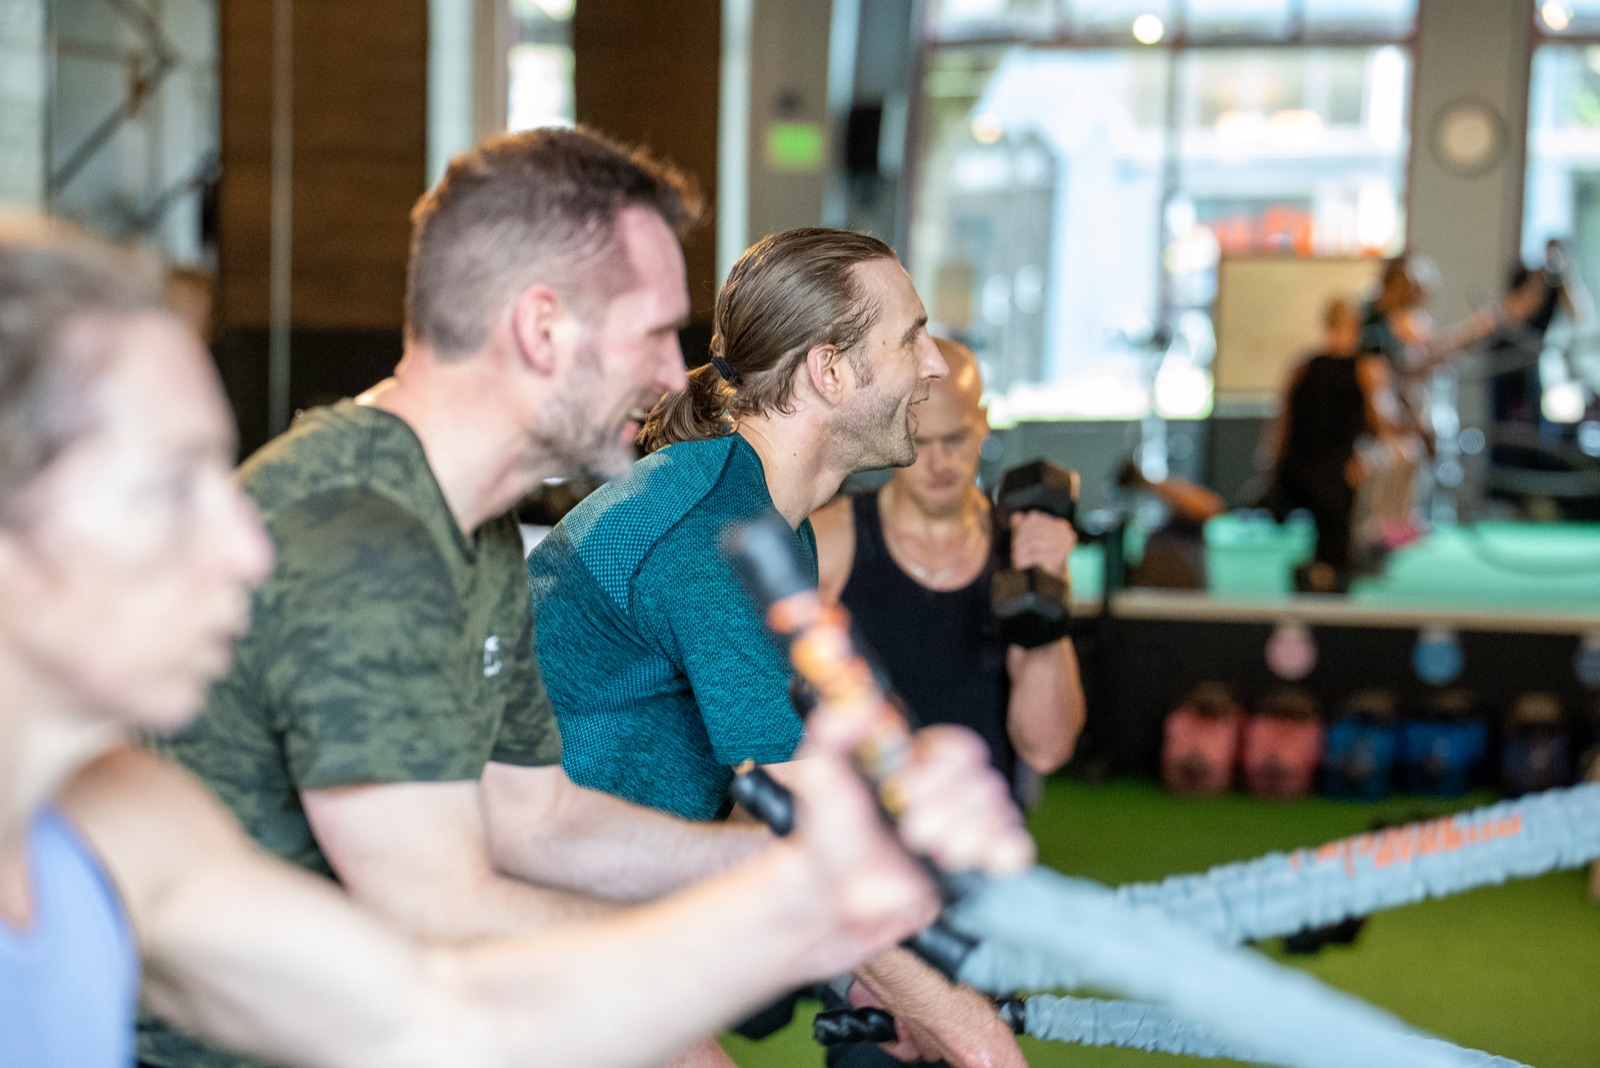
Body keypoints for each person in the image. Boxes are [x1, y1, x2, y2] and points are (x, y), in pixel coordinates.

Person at [0, 218, 1023, 1067]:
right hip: (551, 914)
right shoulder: (700, 526)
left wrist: (812, 902)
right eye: (169, 485)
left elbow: (445, 1001)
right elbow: (475, 900)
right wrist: (921, 986)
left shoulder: (134, 834)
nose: (239, 539)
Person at [528, 228, 1033, 1068]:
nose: (935, 366)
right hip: (505, 932)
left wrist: (870, 976)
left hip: (584, 916)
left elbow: (763, 822)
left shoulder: (759, 520)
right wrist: (973, 1034)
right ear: (829, 372)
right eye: (911, 339)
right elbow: (810, 838)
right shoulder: (721, 542)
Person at [809, 337, 1085, 804]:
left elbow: (1046, 750)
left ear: (982, 423)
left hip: (982, 836)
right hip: (862, 838)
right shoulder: (832, 540)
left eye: (954, 438)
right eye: (919, 442)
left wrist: (1049, 587)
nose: (938, 462)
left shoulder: (1021, 550)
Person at [1267, 298, 1409, 590]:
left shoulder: (1302, 366)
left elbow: (1280, 429)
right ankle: (1369, 540)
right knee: (1393, 457)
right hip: (1336, 478)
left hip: (1296, 474)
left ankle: (1328, 564)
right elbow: (1381, 427)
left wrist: (1272, 474)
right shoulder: (1366, 370)